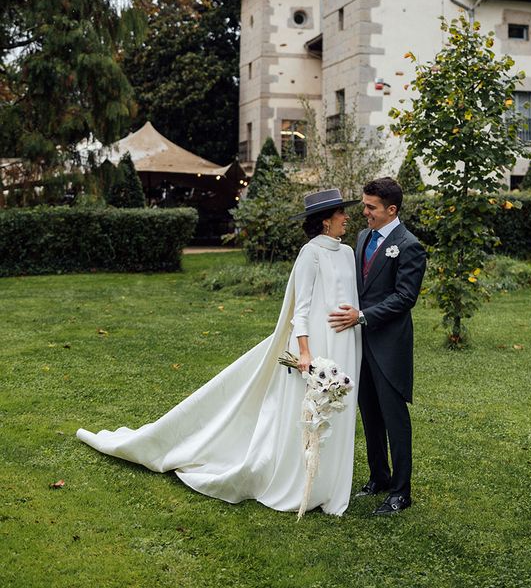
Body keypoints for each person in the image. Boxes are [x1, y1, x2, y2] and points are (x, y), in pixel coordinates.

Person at [76, 188, 361, 516]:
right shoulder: (309, 254)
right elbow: (303, 308)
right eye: (341, 213)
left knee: (337, 413)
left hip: (344, 343)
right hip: (316, 345)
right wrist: (306, 352)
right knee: (309, 415)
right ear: (326, 221)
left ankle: (330, 485)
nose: (347, 218)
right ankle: (303, 482)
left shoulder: (347, 253)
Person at [328, 176, 426, 515]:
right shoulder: (362, 238)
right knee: (368, 413)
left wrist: (363, 316)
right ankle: (379, 477)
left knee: (394, 418)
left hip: (389, 345)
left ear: (391, 210)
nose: (364, 213)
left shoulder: (409, 245)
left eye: (371, 207)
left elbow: (404, 297)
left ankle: (401, 491)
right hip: (359, 344)